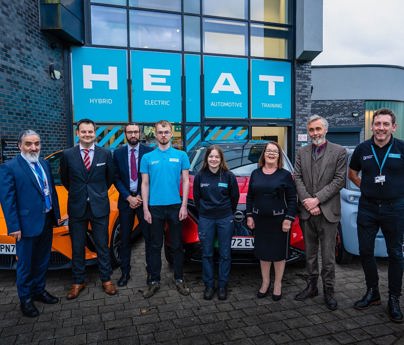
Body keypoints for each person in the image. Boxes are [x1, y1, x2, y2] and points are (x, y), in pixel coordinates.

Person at [348, 108, 404, 323]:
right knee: (365, 251)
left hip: (395, 208)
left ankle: (394, 299)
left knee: (396, 254)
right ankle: (373, 293)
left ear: (393, 127)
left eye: (385, 124)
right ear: (372, 126)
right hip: (368, 207)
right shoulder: (362, 148)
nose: (381, 128)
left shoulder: (401, 147)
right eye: (377, 124)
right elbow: (352, 173)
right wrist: (367, 187)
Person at [0, 130, 60, 317]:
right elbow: (7, 200)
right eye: (29, 144)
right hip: (25, 226)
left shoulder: (44, 163)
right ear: (20, 146)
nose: (33, 147)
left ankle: (39, 290)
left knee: (42, 261)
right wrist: (14, 226)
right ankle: (25, 299)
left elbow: (51, 191)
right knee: (25, 265)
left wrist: (56, 215)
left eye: (37, 143)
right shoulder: (9, 167)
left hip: (47, 221)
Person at [60, 118, 117, 299]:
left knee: (102, 245)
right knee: (77, 246)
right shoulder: (68, 154)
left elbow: (110, 178)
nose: (87, 135)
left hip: (99, 207)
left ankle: (106, 280)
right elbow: (65, 179)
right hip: (77, 208)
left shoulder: (105, 154)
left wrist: (96, 194)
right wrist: (80, 194)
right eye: (83, 132)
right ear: (78, 134)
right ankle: (78, 281)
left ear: (95, 133)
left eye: (90, 132)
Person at [294, 115, 346, 311]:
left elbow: (339, 180)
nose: (315, 133)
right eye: (311, 130)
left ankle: (329, 291)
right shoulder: (301, 152)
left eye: (318, 129)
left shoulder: (339, 152)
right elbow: (297, 177)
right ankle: (311, 287)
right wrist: (308, 202)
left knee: (328, 256)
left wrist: (317, 200)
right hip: (308, 213)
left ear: (325, 130)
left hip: (328, 213)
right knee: (310, 254)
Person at [140, 120, 190, 298]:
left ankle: (179, 279)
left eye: (166, 132)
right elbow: (144, 184)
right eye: (160, 132)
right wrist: (145, 208)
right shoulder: (147, 158)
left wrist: (184, 205)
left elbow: (185, 181)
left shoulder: (181, 155)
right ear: (155, 134)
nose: (163, 135)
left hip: (175, 207)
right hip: (154, 208)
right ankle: (154, 281)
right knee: (154, 246)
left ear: (171, 134)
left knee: (176, 245)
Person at [246, 141, 297, 301]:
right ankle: (265, 282)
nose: (271, 153)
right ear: (264, 154)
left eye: (275, 151)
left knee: (278, 254)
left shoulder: (285, 175)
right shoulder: (256, 173)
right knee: (263, 253)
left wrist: (288, 219)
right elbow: (249, 197)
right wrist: (249, 215)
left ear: (279, 155)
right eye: (268, 151)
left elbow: (292, 199)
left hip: (279, 220)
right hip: (260, 220)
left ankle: (278, 284)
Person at [193, 145, 239, 301]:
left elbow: (235, 198)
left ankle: (222, 286)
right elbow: (197, 198)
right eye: (210, 156)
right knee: (207, 253)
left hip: (225, 218)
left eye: (216, 157)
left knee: (225, 254)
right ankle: (209, 285)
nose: (213, 159)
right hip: (206, 219)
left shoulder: (228, 176)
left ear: (221, 159)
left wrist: (226, 213)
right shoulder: (200, 176)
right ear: (206, 159)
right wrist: (205, 212)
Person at [113, 123, 153, 287]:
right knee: (124, 239)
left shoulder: (149, 152)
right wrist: (128, 197)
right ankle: (125, 272)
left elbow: (152, 177)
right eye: (130, 132)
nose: (133, 134)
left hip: (145, 202)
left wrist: (142, 197)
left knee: (149, 239)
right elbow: (115, 178)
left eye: (136, 131)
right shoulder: (118, 153)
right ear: (125, 134)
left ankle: (151, 273)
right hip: (126, 202)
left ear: (140, 133)